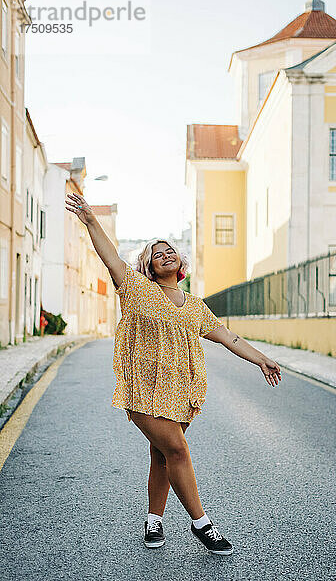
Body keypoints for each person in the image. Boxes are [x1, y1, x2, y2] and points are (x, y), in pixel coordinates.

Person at [65, 191, 281, 556]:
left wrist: (261, 358)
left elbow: (228, 336)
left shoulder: (195, 306)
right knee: (178, 451)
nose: (165, 254)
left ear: (180, 262)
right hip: (144, 391)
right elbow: (111, 258)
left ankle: (154, 519)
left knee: (162, 456)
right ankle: (203, 525)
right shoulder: (136, 290)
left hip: (182, 391)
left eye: (170, 251)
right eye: (156, 253)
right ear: (148, 266)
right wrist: (91, 221)